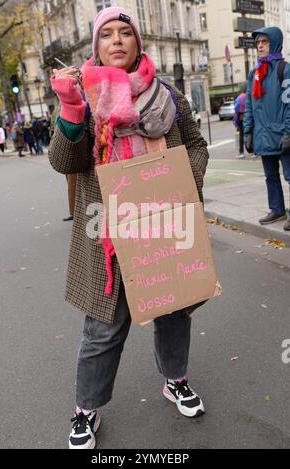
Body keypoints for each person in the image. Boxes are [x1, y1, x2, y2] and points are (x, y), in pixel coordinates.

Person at [48, 6, 209, 450]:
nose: (117, 40)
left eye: (125, 33)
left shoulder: (167, 94)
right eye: (107, 35)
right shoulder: (83, 97)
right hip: (107, 232)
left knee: (173, 308)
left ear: (137, 42)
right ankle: (86, 408)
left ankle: (175, 379)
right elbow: (65, 161)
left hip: (164, 222)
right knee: (104, 326)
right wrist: (71, 109)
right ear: (96, 47)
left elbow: (195, 145)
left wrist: (182, 181)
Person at [244, 27, 290, 231]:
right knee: (270, 176)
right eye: (258, 43)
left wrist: (289, 132)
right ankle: (277, 209)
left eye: (264, 42)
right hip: (263, 136)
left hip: (282, 135)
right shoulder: (254, 73)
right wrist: (247, 131)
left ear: (274, 43)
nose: (260, 46)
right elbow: (249, 106)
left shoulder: (284, 69)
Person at [233, 83, 247, 159]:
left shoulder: (239, 97)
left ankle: (241, 152)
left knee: (241, 135)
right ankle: (254, 151)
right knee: (250, 133)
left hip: (241, 118)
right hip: (248, 117)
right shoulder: (248, 96)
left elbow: (236, 108)